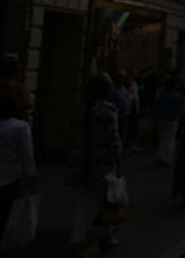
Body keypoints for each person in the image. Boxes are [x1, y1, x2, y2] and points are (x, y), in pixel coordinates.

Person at [0, 85, 36, 255]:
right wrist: (31, 175)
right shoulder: (20, 127)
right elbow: (27, 154)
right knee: (2, 219)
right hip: (7, 179)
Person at [72, 73, 123, 253]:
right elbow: (114, 140)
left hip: (81, 162)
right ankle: (105, 237)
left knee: (82, 201)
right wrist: (119, 163)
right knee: (105, 202)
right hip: (102, 163)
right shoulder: (108, 110)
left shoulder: (82, 109)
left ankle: (77, 239)